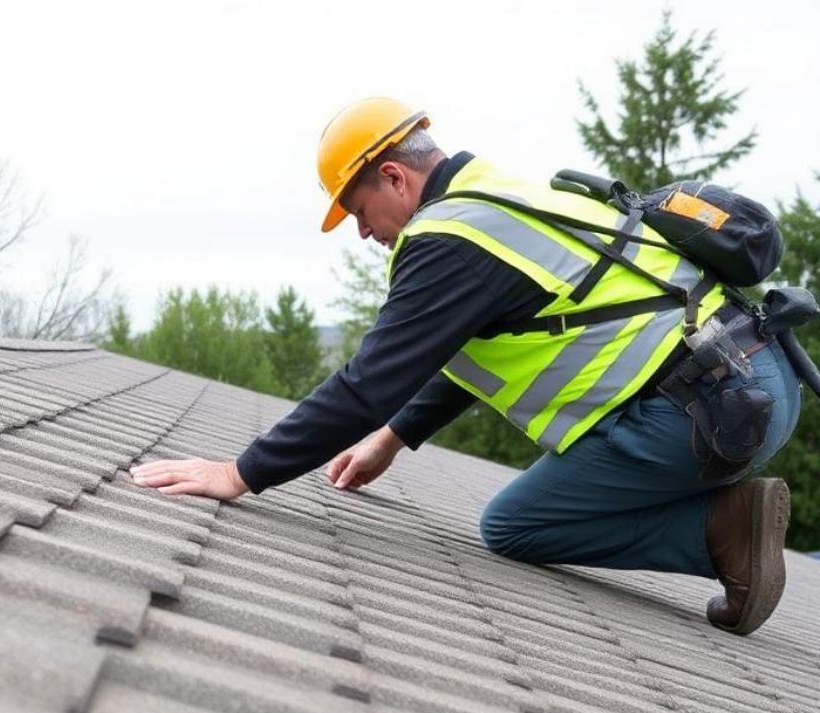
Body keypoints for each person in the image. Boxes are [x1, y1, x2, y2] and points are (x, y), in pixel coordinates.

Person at [131, 97, 802, 635]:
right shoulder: (495, 197)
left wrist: (239, 473)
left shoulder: (448, 235)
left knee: (514, 525)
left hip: (701, 413)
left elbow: (368, 383)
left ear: (394, 177)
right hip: (749, 380)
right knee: (526, 509)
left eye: (361, 213)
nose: (366, 234)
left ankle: (722, 526)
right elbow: (476, 345)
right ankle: (721, 510)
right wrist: (394, 438)